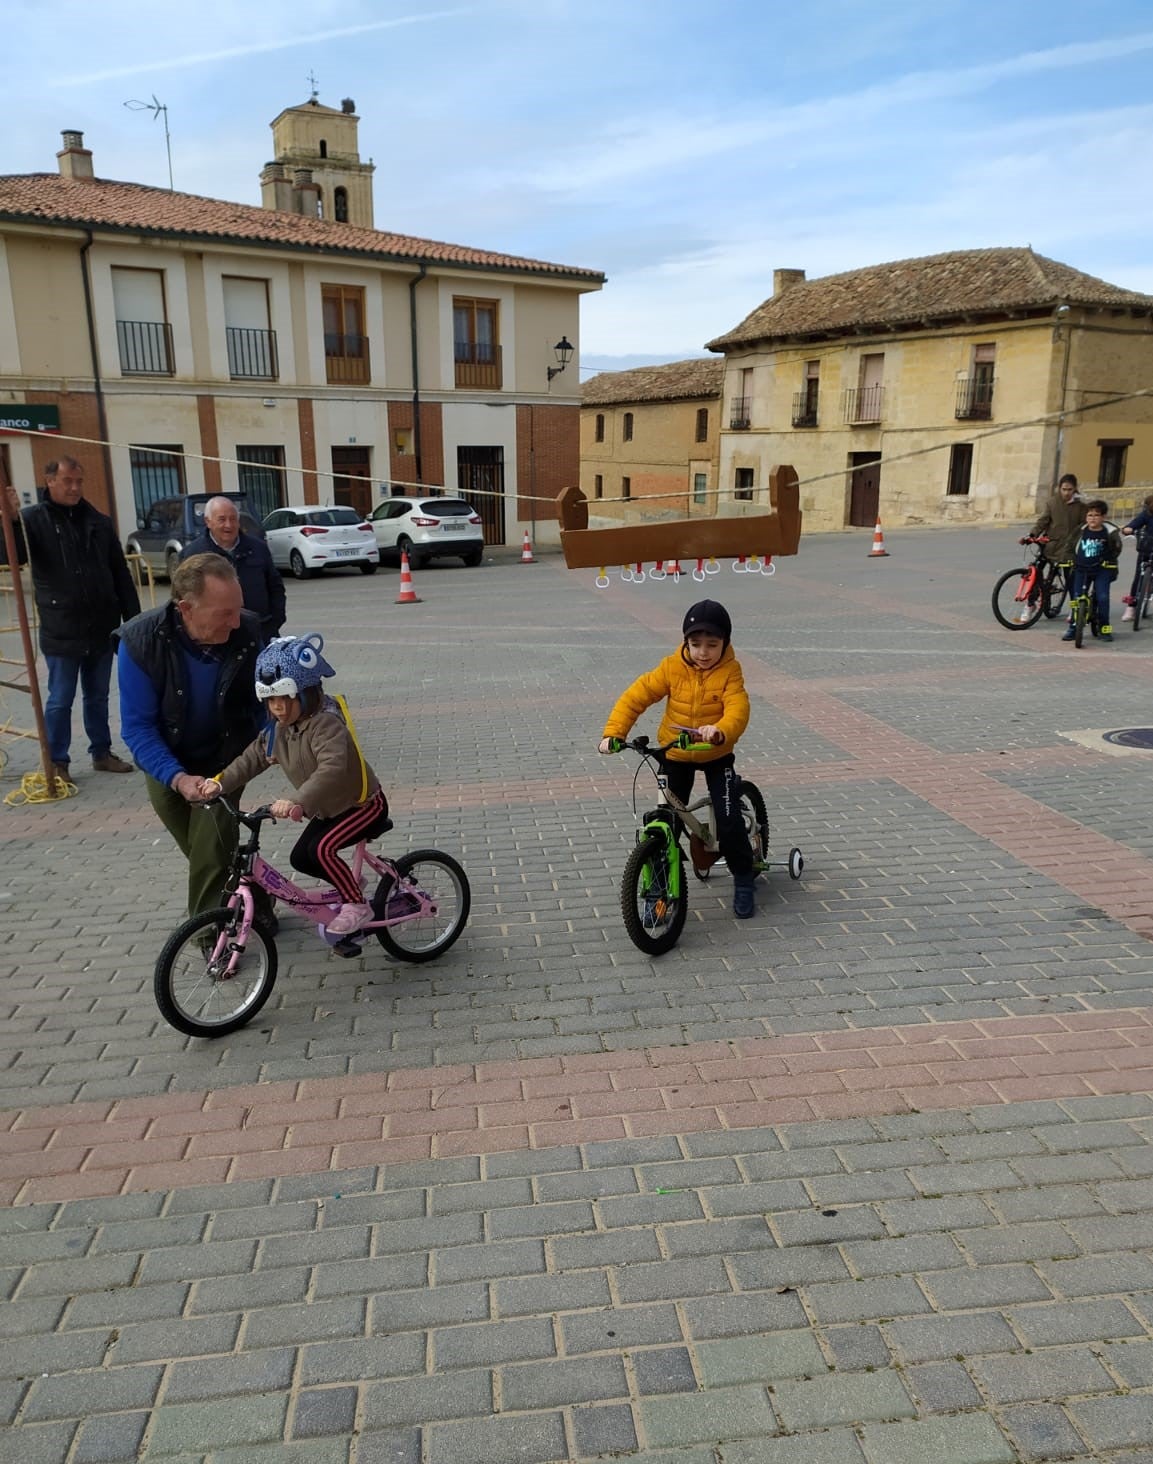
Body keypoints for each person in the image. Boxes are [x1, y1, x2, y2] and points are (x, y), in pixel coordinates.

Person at [116, 554, 273, 922]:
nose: (236, 622)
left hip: (229, 756)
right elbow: (138, 728)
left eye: (238, 610)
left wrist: (277, 738)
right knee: (209, 849)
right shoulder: (139, 642)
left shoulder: (248, 632)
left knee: (212, 843)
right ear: (186, 608)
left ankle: (210, 934)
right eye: (224, 614)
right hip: (168, 760)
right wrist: (178, 778)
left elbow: (271, 699)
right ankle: (260, 899)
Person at [200, 632, 389, 937]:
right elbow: (252, 758)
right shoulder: (279, 730)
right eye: (271, 699)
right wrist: (219, 783)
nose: (278, 707)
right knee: (301, 857)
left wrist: (296, 800)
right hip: (329, 809)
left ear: (307, 693)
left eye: (286, 698)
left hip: (362, 804)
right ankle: (349, 884)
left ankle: (358, 905)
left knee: (323, 848)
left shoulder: (326, 724)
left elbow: (332, 768)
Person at [599, 599, 758, 919]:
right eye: (695, 643)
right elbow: (637, 695)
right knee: (663, 820)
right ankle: (657, 895)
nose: (703, 652)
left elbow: (738, 709)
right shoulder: (672, 667)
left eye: (712, 644)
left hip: (716, 755)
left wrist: (721, 730)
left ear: (725, 642)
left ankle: (743, 878)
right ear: (685, 642)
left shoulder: (730, 671)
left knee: (728, 825)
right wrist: (613, 733)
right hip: (675, 753)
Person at [1, 458, 139, 781]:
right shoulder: (32, 520)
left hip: (102, 625)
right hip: (61, 627)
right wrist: (8, 520)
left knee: (98, 695)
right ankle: (58, 761)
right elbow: (14, 556)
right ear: (49, 481)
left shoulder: (99, 521)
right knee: (60, 698)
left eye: (79, 481)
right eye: (67, 481)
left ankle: (101, 752)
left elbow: (120, 574)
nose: (75, 487)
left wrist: (132, 623)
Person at [180, 496, 285, 644]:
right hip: (216, 638)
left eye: (233, 519)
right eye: (222, 519)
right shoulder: (193, 554)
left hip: (260, 633)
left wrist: (275, 621)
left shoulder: (258, 548)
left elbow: (275, 586)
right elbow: (184, 599)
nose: (228, 525)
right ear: (208, 522)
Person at [1020, 472, 1086, 623]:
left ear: (1075, 489)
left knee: (1071, 579)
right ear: (1059, 488)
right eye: (1064, 489)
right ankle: (1030, 604)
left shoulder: (1081, 507)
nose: (1066, 493)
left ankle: (1074, 608)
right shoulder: (1052, 503)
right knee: (1036, 574)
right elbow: (1043, 521)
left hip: (1070, 548)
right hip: (1050, 545)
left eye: (1070, 489)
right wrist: (1032, 534)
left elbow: (1084, 526)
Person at [1062, 499, 1122, 643]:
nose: (1093, 518)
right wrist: (1068, 560)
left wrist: (1109, 560)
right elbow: (1069, 546)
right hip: (1081, 569)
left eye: (1096, 515)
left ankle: (1104, 628)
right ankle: (1073, 627)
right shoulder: (1081, 530)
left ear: (1103, 517)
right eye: (1090, 515)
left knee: (1102, 597)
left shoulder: (1109, 532)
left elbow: (1116, 548)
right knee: (1076, 599)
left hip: (1102, 569)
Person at [1120, 493, 1153, 621]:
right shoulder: (1146, 514)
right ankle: (1131, 607)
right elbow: (1134, 524)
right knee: (1138, 576)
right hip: (1146, 548)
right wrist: (1128, 529)